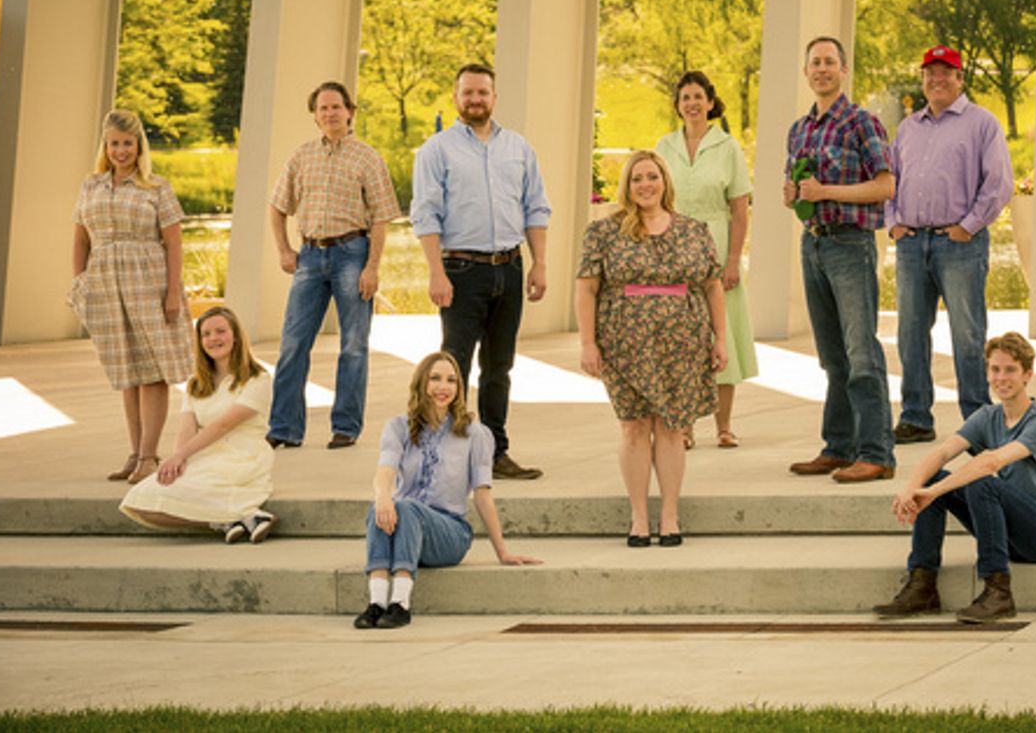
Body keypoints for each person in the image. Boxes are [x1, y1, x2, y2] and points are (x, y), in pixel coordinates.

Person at [575, 150, 727, 546]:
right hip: (625, 343)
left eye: (652, 177)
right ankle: (639, 517)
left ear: (664, 182)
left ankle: (671, 516)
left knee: (673, 428)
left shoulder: (694, 230)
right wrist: (588, 342)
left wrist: (720, 340)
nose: (645, 185)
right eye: (637, 178)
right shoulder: (604, 232)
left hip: (684, 342)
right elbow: (586, 288)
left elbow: (712, 287)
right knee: (634, 427)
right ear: (627, 186)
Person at [874, 332, 1036, 623]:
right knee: (933, 479)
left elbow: (989, 462)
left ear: (1027, 375)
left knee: (982, 483)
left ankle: (998, 592)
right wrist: (913, 489)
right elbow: (942, 453)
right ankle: (922, 585)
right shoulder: (988, 416)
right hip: (1013, 530)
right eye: (995, 369)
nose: (1001, 377)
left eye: (1010, 370)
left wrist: (933, 494)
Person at [411, 64, 551, 479]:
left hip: (508, 268)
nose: (476, 100)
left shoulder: (519, 148)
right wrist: (436, 273)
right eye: (468, 93)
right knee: (452, 368)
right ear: (456, 97)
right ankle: (448, 456)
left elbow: (536, 207)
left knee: (499, 367)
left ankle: (495, 452)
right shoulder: (437, 150)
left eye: (483, 93)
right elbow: (426, 215)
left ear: (494, 96)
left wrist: (540, 263)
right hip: (460, 269)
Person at [356, 351, 542, 629]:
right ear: (421, 383)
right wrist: (383, 496)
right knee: (383, 507)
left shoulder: (475, 433)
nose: (444, 387)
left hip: (450, 534)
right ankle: (377, 603)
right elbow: (385, 470)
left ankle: (401, 603)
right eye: (435, 379)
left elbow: (482, 495)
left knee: (405, 506)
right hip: (406, 526)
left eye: (452, 380)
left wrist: (502, 551)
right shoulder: (398, 427)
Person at [885, 45, 1013, 447]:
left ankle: (976, 421)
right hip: (911, 244)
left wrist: (969, 226)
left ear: (960, 78)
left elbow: (999, 185)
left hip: (960, 244)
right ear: (923, 79)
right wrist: (893, 224)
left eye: (946, 72)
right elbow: (890, 179)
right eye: (930, 72)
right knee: (909, 333)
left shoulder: (982, 124)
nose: (937, 79)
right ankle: (916, 417)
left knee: (968, 335)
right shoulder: (908, 127)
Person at [784, 36, 897, 483]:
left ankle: (877, 453)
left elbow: (886, 186)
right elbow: (800, 191)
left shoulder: (861, 123)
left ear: (843, 70)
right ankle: (838, 446)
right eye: (815, 62)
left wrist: (826, 192)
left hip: (850, 245)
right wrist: (794, 196)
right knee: (832, 356)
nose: (822, 69)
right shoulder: (799, 129)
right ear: (806, 71)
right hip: (813, 243)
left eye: (830, 62)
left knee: (861, 352)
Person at [266, 81, 400, 450]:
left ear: (350, 111)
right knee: (293, 343)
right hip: (309, 256)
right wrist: (284, 250)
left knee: (354, 344)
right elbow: (277, 207)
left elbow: (381, 218)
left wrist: (372, 267)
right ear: (314, 115)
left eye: (336, 107)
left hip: (351, 254)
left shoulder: (367, 157)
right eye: (323, 108)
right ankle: (284, 428)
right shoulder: (300, 156)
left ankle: (345, 426)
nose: (330, 114)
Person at [72, 110, 193, 485]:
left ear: (139, 146)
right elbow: (80, 238)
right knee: (127, 372)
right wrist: (79, 282)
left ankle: (149, 455)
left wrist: (172, 292)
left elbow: (173, 242)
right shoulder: (91, 186)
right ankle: (135, 452)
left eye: (127, 143)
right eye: (114, 144)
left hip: (149, 280)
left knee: (152, 371)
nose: (120, 150)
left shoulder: (156, 187)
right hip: (106, 283)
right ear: (105, 147)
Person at [654, 71, 758, 449]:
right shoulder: (664, 147)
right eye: (685, 98)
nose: (692, 103)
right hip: (673, 248)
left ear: (710, 102)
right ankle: (683, 427)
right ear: (678, 105)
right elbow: (652, 201)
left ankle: (724, 426)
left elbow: (740, 210)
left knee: (721, 334)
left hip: (716, 243)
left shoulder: (728, 147)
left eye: (698, 96)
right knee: (680, 341)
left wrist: (733, 260)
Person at [121, 307, 277, 542]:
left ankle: (245, 514)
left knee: (179, 492)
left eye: (221, 331)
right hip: (203, 452)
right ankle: (229, 520)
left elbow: (222, 425)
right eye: (206, 334)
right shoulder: (196, 384)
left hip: (243, 455)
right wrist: (179, 460)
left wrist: (181, 455)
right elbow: (186, 428)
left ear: (235, 336)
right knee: (138, 502)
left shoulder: (257, 379)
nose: (213, 338)